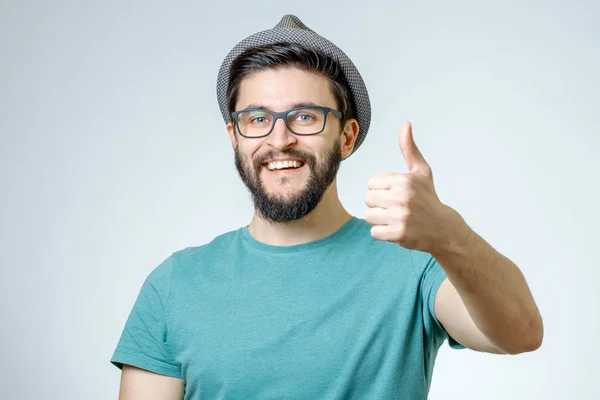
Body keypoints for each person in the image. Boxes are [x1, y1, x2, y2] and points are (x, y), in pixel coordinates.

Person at [111, 14, 543, 400]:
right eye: (258, 119)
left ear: (347, 137)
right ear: (235, 137)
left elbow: (520, 334)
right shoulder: (175, 284)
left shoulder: (414, 265)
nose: (279, 140)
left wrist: (452, 236)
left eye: (305, 116)